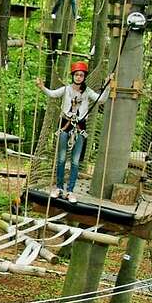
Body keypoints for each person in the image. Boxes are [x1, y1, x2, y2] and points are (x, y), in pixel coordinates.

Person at [35, 61, 111, 199]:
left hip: (80, 126)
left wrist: (107, 86)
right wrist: (42, 87)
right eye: (76, 75)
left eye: (81, 75)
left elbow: (102, 100)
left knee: (75, 162)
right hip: (65, 124)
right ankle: (59, 188)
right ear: (73, 76)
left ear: (84, 77)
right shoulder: (66, 89)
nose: (78, 77)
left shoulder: (87, 92)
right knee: (61, 159)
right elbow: (52, 94)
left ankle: (70, 191)